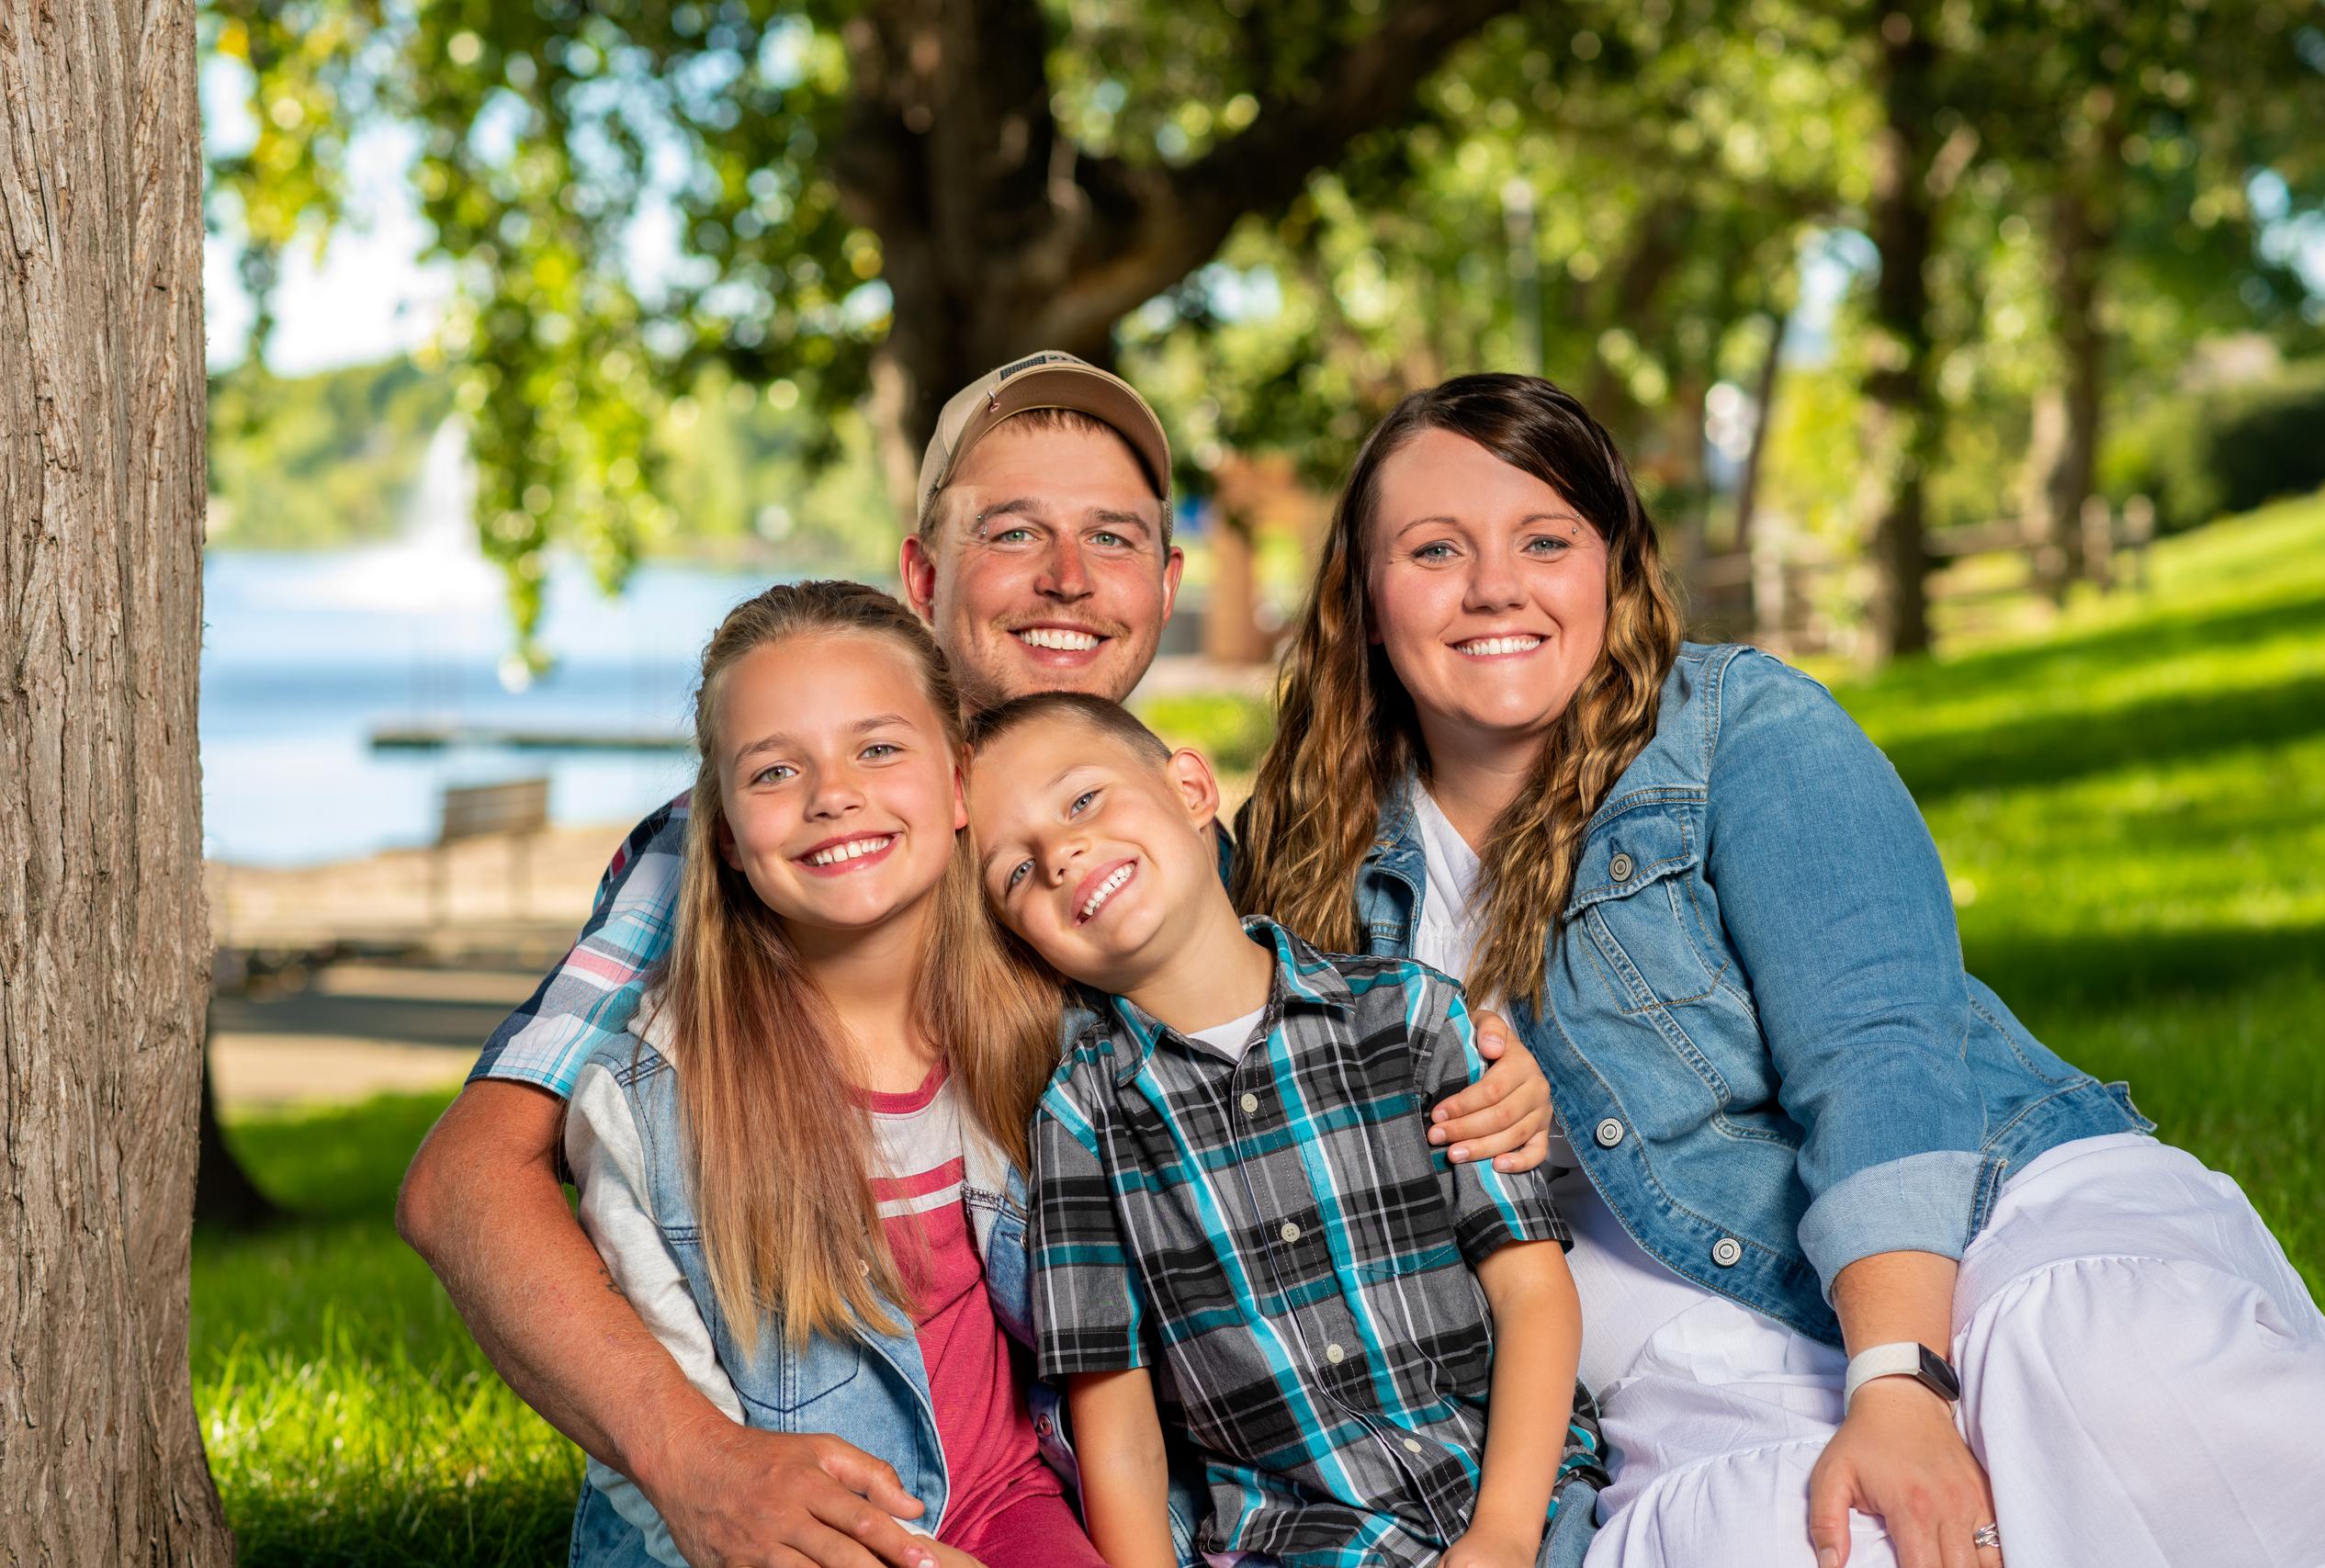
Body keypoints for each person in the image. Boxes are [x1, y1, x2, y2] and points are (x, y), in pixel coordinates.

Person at [396, 354, 1558, 1568]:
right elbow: (466, 1182)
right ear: (924, 573)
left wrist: (1483, 1083)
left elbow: (1322, 1091)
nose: (1067, 575)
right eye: (1015, 530)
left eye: (1111, 537)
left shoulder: (1180, 853)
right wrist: (699, 1460)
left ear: (1165, 586)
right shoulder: (752, 856)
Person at [1231, 372, 2325, 1568]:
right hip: (1679, 1333)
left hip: (1981, 1209)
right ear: (1362, 592)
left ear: (1610, 566)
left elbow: (1877, 1042)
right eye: (1436, 548)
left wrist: (1902, 1379)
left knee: (2103, 1366)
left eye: (1545, 539)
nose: (1496, 583)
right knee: (1784, 1533)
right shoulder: (1300, 869)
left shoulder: (1730, 728)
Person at [962, 693, 1607, 1568]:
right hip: (1305, 1542)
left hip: (1527, 1500)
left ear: (1190, 787)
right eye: (1016, 872)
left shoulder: (1410, 1017)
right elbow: (1115, 1418)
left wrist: (1499, 1536)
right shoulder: (1079, 1120)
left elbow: (1531, 1292)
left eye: (1083, 801)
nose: (1061, 854)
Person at [566, 581, 1082, 1567]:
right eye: (773, 772)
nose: (832, 794)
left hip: (1010, 1498)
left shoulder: (1043, 1029)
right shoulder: (649, 1102)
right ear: (722, 833)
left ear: (960, 780)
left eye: (878, 748)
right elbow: (676, 1470)